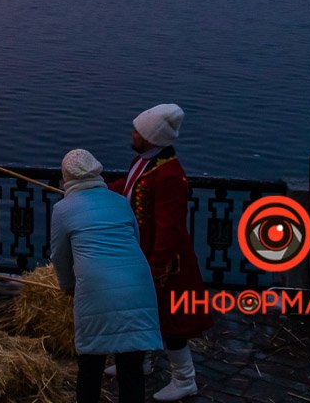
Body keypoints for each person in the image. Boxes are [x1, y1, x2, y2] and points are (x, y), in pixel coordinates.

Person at [108, 103, 212, 402]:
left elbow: (170, 228)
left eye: (138, 131)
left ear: (151, 138)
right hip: (142, 253)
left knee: (171, 321)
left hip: (167, 263)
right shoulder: (147, 162)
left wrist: (155, 266)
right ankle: (142, 362)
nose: (133, 134)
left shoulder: (169, 176)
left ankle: (184, 379)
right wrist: (93, 188)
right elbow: (128, 187)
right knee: (143, 313)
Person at [51, 149, 162, 403]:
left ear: (66, 176)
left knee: (90, 365)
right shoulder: (120, 201)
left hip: (96, 290)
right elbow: (135, 238)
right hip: (138, 284)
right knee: (132, 368)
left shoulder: (63, 209)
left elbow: (59, 256)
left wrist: (68, 285)